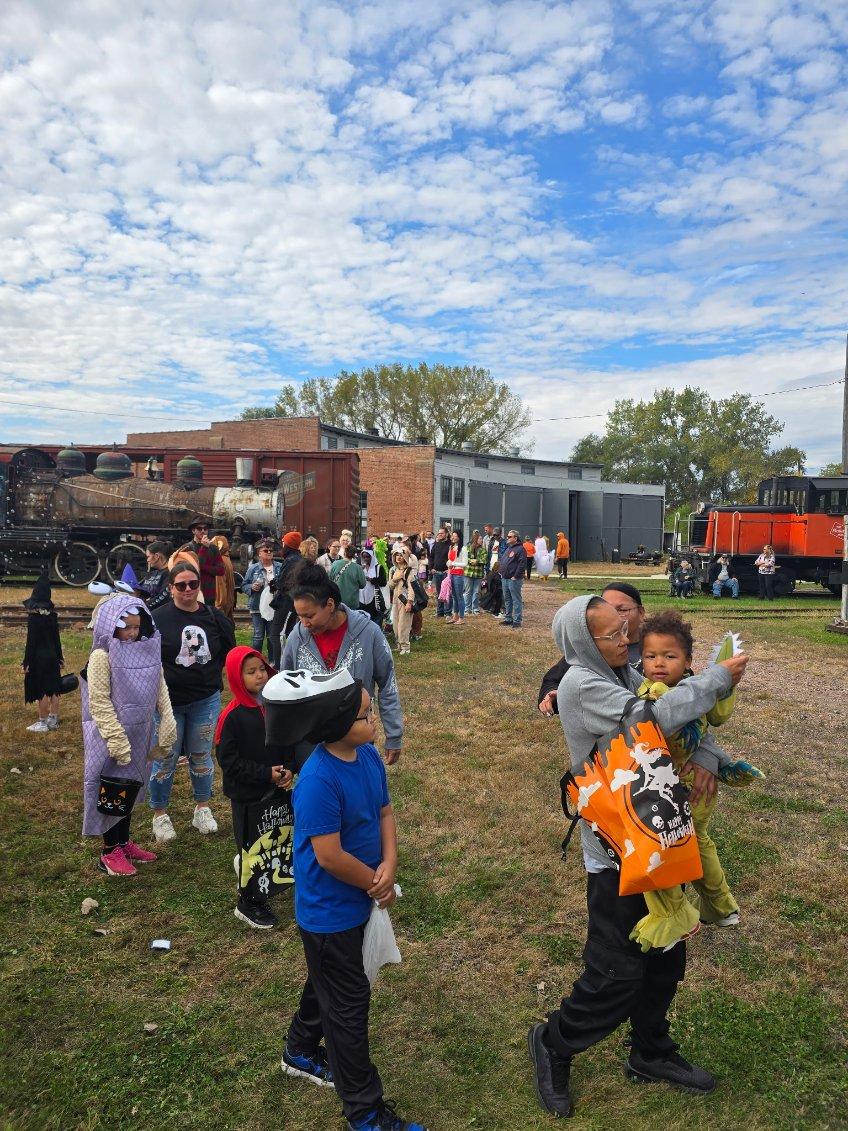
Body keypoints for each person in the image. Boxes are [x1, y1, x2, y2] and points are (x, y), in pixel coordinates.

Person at [528, 595, 748, 1117]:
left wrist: (711, 758)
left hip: (658, 841)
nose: (627, 638)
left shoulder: (622, 671)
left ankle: (650, 1051)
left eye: (625, 627)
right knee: (616, 974)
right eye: (613, 634)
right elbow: (652, 717)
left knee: (666, 960)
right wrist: (717, 678)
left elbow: (679, 736)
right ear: (585, 642)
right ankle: (553, 1043)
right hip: (618, 854)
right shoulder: (584, 684)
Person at [266, 669, 427, 1131]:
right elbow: (330, 855)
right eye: (364, 714)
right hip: (330, 912)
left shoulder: (368, 758)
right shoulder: (318, 778)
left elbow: (385, 811)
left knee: (331, 982)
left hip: (360, 898)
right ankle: (365, 1111)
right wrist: (374, 883)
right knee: (348, 1006)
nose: (373, 719)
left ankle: (299, 1049)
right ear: (334, 723)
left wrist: (390, 866)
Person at [633, 610, 761, 950]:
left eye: (669, 656)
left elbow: (695, 722)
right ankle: (720, 907)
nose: (659, 663)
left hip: (686, 784)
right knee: (692, 841)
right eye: (650, 656)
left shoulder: (687, 690)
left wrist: (724, 679)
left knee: (673, 842)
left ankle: (676, 913)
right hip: (680, 781)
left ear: (688, 659)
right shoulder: (690, 688)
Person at [81, 595, 177, 875]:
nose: (133, 633)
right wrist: (115, 737)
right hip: (113, 736)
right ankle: (110, 850)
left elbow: (160, 687)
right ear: (111, 625)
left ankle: (124, 841)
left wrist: (167, 719)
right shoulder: (101, 657)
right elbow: (98, 700)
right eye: (127, 628)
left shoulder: (146, 650)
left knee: (131, 787)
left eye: (137, 627)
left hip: (140, 733)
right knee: (111, 789)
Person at [282, 564, 403, 768]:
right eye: (299, 616)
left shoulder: (368, 633)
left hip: (357, 745)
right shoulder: (297, 638)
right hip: (311, 748)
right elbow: (285, 689)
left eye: (309, 616)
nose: (304, 623)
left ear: (330, 604)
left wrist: (394, 734)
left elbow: (388, 685)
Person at [148, 562, 236, 843]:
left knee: (201, 756)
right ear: (171, 588)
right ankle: (159, 815)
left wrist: (215, 673)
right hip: (168, 702)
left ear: (199, 586)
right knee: (165, 757)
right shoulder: (157, 618)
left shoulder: (214, 616)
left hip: (205, 699)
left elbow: (231, 651)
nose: (188, 590)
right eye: (181, 585)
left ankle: (202, 808)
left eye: (193, 584)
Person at [215, 646, 294, 929]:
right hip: (247, 797)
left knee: (275, 842)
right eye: (251, 672)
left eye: (262, 668)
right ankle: (248, 903)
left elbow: (284, 742)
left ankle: (268, 881)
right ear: (237, 677)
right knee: (252, 847)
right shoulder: (232, 717)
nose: (260, 675)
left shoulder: (272, 706)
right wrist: (264, 774)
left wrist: (286, 770)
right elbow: (229, 761)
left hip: (275, 792)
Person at [22, 572, 63, 733]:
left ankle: (42, 722)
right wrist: (60, 657)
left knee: (41, 690)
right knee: (54, 688)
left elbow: (31, 643)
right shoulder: (52, 616)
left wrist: (27, 662)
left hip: (39, 658)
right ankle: (54, 718)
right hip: (52, 656)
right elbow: (56, 639)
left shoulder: (33, 618)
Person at [268, 531, 306, 668]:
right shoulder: (300, 559)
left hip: (286, 602)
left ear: (288, 545)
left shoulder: (290, 561)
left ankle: (278, 665)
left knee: (275, 633)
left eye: (284, 542)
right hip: (294, 601)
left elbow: (283, 582)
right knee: (289, 633)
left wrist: (274, 583)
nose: (282, 544)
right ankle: (289, 663)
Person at [242, 540, 284, 657]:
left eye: (271, 550)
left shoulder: (280, 567)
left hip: (274, 607)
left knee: (272, 636)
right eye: (266, 550)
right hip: (257, 606)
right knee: (258, 635)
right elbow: (244, 585)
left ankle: (273, 662)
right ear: (259, 553)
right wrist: (252, 587)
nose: (269, 552)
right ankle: (255, 659)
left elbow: (286, 584)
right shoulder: (253, 568)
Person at [186, 519, 225, 604]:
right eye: (199, 529)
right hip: (193, 592)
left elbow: (221, 570)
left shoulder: (213, 548)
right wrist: (204, 548)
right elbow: (193, 569)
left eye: (205, 528)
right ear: (193, 531)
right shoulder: (188, 548)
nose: (203, 531)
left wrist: (203, 567)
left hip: (209, 593)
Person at [388, 548, 416, 655]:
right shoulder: (393, 570)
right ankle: (399, 645)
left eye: (400, 555)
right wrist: (395, 579)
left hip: (405, 601)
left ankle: (405, 647)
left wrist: (409, 602)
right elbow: (390, 586)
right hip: (395, 601)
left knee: (403, 625)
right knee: (396, 624)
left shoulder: (409, 571)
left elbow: (411, 588)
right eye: (396, 555)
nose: (398, 557)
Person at [499, 530, 527, 628]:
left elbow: (522, 564)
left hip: (514, 579)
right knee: (507, 599)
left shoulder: (520, 549)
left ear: (515, 538)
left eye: (509, 536)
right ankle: (508, 618)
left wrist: (515, 576)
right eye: (507, 536)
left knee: (516, 599)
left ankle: (517, 620)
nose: (507, 538)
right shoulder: (508, 548)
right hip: (505, 578)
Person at [331, 545, 368, 612]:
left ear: (344, 553)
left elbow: (329, 579)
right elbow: (363, 585)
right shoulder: (358, 568)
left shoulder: (335, 564)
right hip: (352, 602)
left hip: (337, 600)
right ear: (354, 555)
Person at [138, 541, 172, 610]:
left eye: (148, 556)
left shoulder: (169, 573)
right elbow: (139, 589)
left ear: (156, 556)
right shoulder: (151, 573)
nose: (147, 560)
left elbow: (163, 597)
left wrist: (142, 606)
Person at [359, 547, 387, 627]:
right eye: (364, 557)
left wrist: (372, 580)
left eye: (367, 557)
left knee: (374, 618)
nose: (365, 559)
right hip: (362, 597)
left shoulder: (378, 568)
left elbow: (383, 583)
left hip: (374, 597)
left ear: (372, 557)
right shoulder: (360, 568)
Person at [212, 534, 237, 620]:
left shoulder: (220, 561)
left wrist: (218, 606)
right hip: (228, 603)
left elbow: (220, 586)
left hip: (221, 608)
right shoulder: (227, 560)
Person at [428, 528, 451, 618]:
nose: (440, 534)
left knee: (447, 593)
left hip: (446, 572)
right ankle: (439, 612)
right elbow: (431, 557)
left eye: (442, 533)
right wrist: (431, 568)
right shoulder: (436, 544)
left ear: (446, 534)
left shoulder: (450, 545)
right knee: (439, 593)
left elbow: (452, 558)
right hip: (436, 572)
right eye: (439, 533)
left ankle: (448, 612)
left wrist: (449, 569)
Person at [445, 530, 467, 625]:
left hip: (458, 574)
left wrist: (453, 563)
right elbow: (449, 560)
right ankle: (455, 616)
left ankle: (461, 618)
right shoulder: (451, 547)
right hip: (451, 573)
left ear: (459, 537)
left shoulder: (464, 548)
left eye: (455, 536)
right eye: (452, 536)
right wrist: (448, 563)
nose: (453, 537)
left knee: (459, 597)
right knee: (454, 596)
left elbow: (465, 563)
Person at [463, 531, 487, 615]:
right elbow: (464, 557)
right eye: (480, 539)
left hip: (478, 574)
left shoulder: (483, 550)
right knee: (468, 592)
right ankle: (467, 609)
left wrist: (477, 561)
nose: (482, 540)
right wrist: (470, 560)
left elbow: (484, 560)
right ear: (476, 539)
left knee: (476, 592)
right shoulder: (468, 547)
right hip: (468, 573)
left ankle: (475, 608)